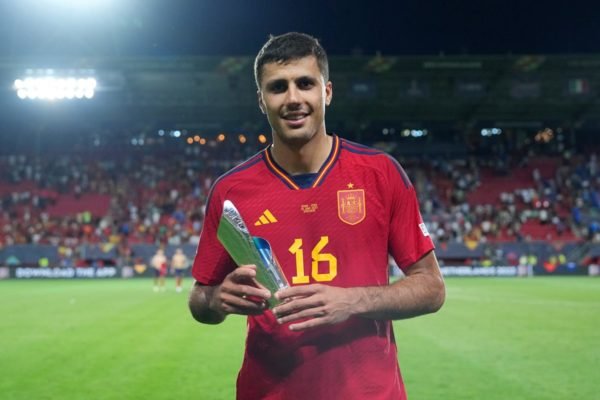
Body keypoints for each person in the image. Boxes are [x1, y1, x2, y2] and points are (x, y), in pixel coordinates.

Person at [188, 32, 445, 400]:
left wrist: (352, 301)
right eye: (278, 87)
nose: (293, 99)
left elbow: (432, 288)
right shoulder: (231, 190)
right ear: (262, 101)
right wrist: (216, 301)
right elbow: (200, 299)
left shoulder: (380, 173)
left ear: (326, 92)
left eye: (305, 83)